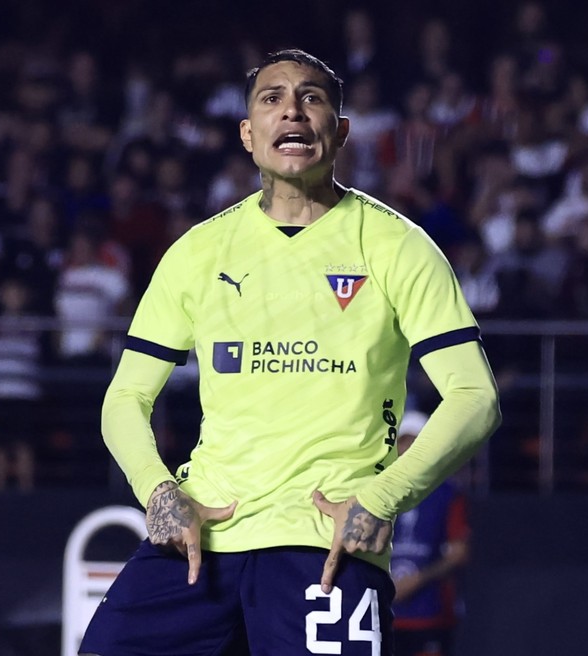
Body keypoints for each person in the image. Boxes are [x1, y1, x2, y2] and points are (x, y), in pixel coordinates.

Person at [79, 49, 501, 656]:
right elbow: (124, 397)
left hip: (325, 541)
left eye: (312, 97)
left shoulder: (397, 245)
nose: (292, 111)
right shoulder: (199, 251)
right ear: (249, 134)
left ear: (341, 129)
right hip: (203, 536)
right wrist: (158, 490)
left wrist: (384, 498)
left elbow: (475, 398)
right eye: (271, 98)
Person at [390, 411, 470, 656]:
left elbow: (459, 553)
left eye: (416, 441)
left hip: (431, 612)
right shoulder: (380, 491)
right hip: (385, 612)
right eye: (404, 441)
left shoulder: (447, 494)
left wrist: (418, 580)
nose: (409, 448)